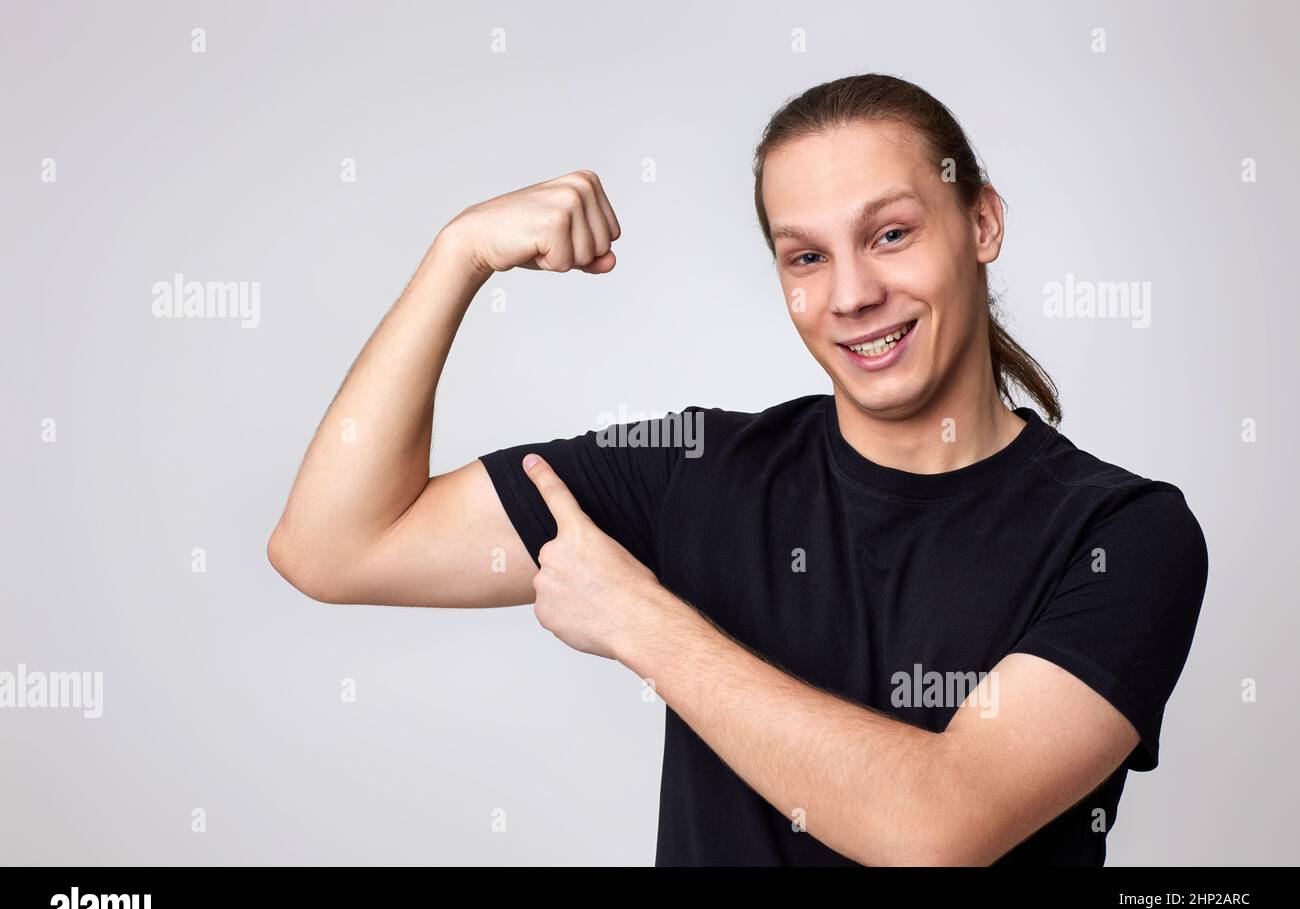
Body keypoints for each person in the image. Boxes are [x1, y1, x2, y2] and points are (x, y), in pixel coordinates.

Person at [267, 73, 1209, 866]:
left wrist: (641, 623)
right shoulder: (694, 471)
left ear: (982, 224)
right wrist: (457, 255)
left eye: (891, 233)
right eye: (807, 255)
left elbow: (936, 824)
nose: (852, 293)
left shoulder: (1124, 534)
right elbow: (334, 547)